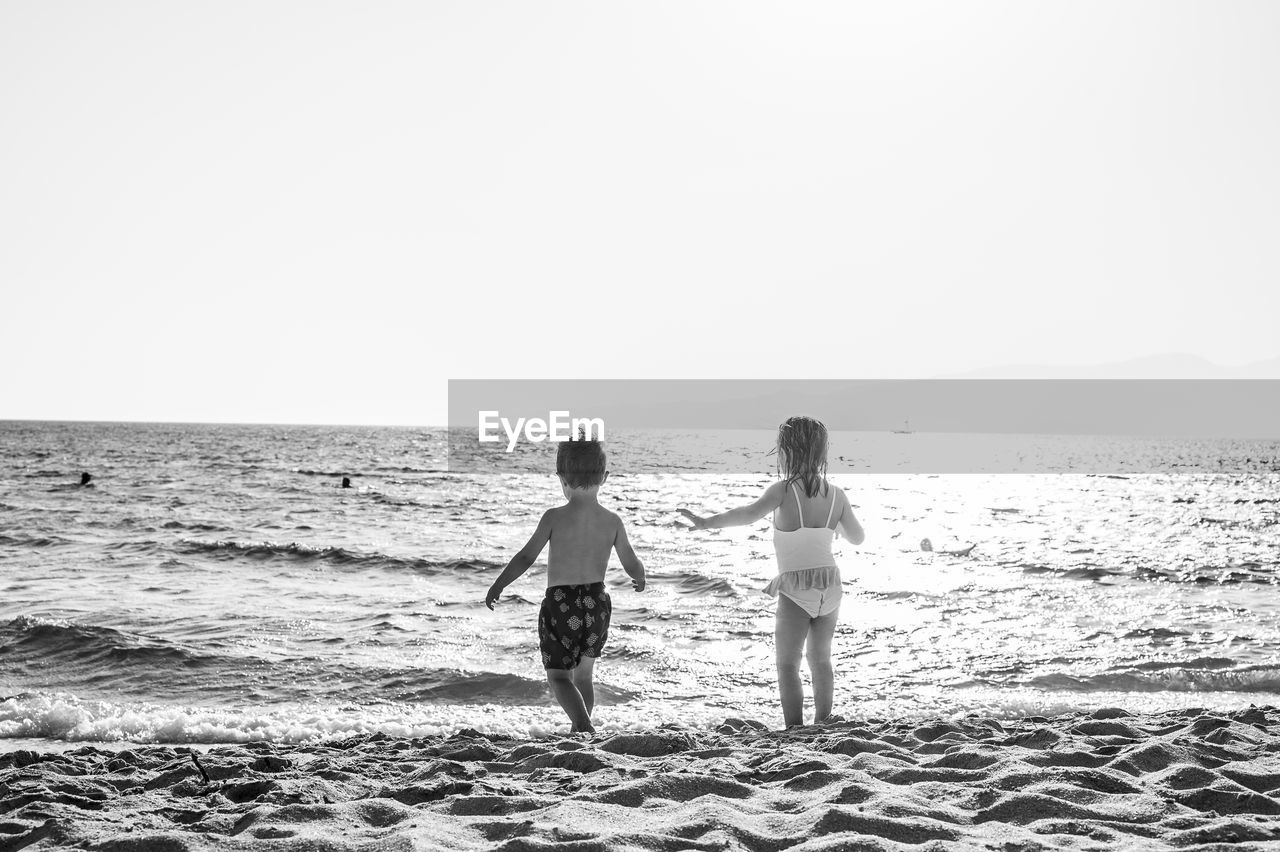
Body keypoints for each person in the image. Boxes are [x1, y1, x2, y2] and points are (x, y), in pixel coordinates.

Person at [679, 416, 864, 728]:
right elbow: (857, 537)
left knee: (787, 664)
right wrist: (834, 528)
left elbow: (747, 515)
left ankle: (794, 727)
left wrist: (705, 522)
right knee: (820, 660)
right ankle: (824, 721)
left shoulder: (782, 490)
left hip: (796, 588)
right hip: (830, 585)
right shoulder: (837, 495)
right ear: (822, 453)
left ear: (786, 452)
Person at [485, 435, 646, 733]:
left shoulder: (553, 518)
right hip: (597, 603)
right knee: (584, 676)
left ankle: (582, 723)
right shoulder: (612, 521)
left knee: (559, 676)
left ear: (561, 478)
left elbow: (525, 558)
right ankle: (581, 726)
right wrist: (640, 578)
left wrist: (499, 584)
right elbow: (631, 562)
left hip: (562, 604)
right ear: (605, 478)